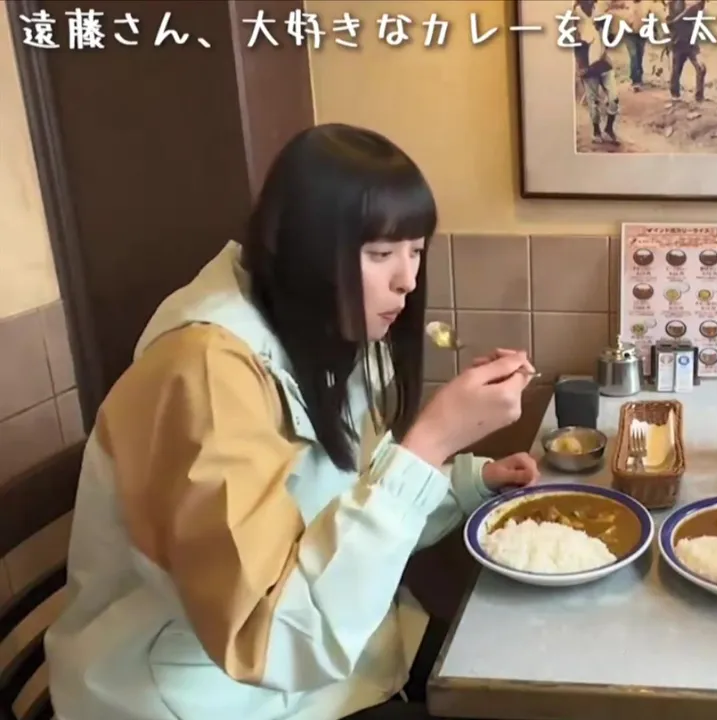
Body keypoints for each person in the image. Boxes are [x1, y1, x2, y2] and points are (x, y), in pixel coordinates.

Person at [44, 124, 542, 720]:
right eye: (381, 254)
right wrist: (430, 443)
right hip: (213, 697)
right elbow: (274, 635)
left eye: (415, 250)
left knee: (510, 672)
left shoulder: (318, 331)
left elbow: (340, 503)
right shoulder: (204, 372)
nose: (408, 279)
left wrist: (462, 483)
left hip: (329, 667)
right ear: (305, 252)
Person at [575, 0, 621, 144]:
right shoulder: (575, 15)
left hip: (604, 63)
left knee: (614, 97)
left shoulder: (599, 10)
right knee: (593, 101)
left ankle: (608, 129)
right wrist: (581, 64)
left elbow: (610, 38)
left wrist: (608, 30)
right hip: (588, 66)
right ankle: (596, 131)